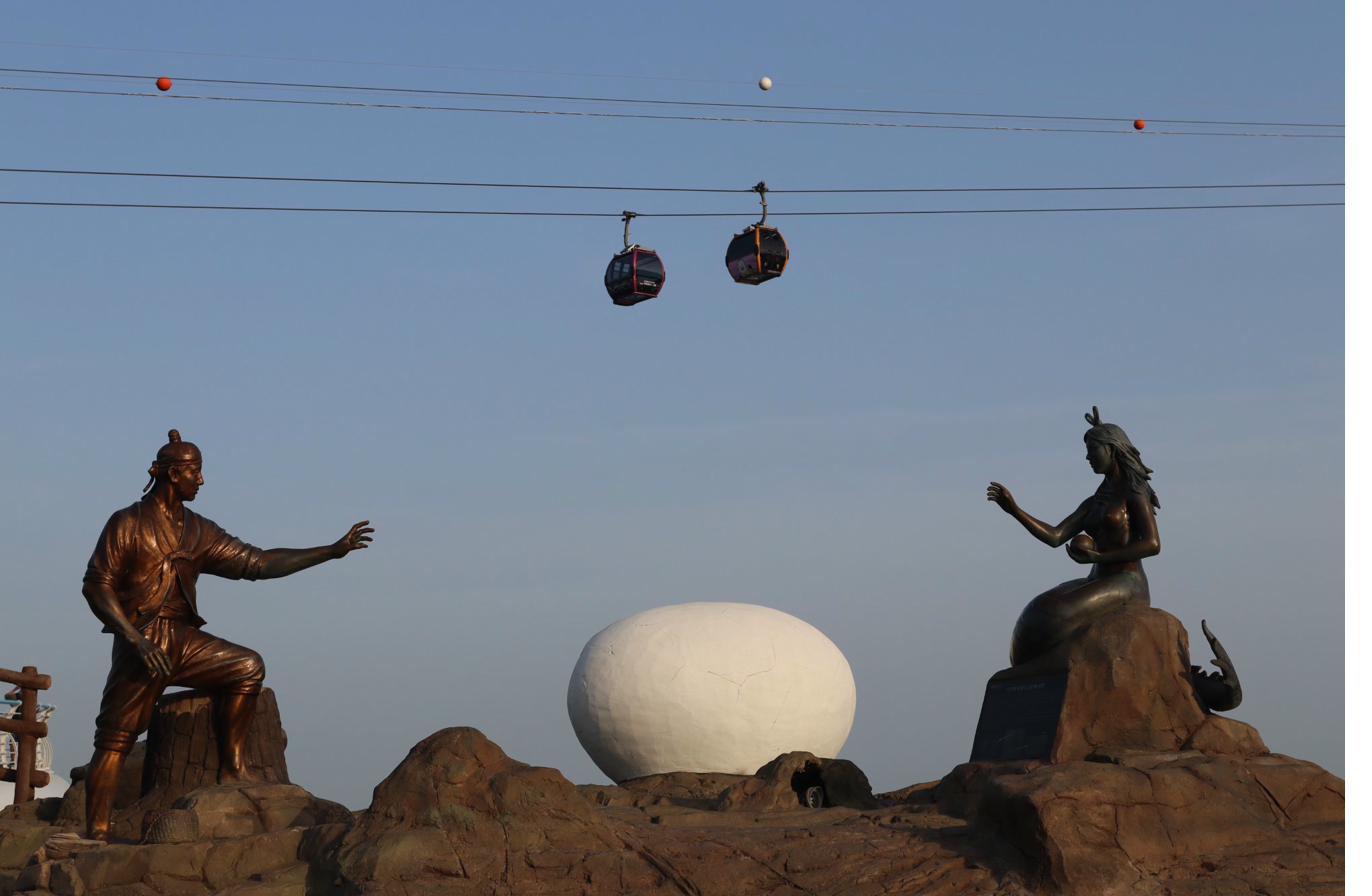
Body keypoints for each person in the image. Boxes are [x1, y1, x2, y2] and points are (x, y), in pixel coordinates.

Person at [80, 430, 373, 840]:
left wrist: (329, 551)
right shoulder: (127, 522)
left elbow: (258, 563)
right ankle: (97, 831)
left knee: (247, 667)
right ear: (172, 474)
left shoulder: (199, 530)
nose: (201, 480)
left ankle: (233, 769)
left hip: (183, 639)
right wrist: (134, 639)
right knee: (115, 738)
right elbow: (96, 585)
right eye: (195, 472)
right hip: (141, 642)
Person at [986, 407, 1160, 666]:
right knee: (1037, 611)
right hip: (1097, 579)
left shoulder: (1134, 492)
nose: (1088, 457)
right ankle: (1036, 673)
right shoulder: (1095, 501)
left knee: (1056, 614)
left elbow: (1152, 544)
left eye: (1093, 450)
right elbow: (1056, 536)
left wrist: (1099, 557)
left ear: (1111, 449)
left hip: (1127, 583)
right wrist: (1015, 510)